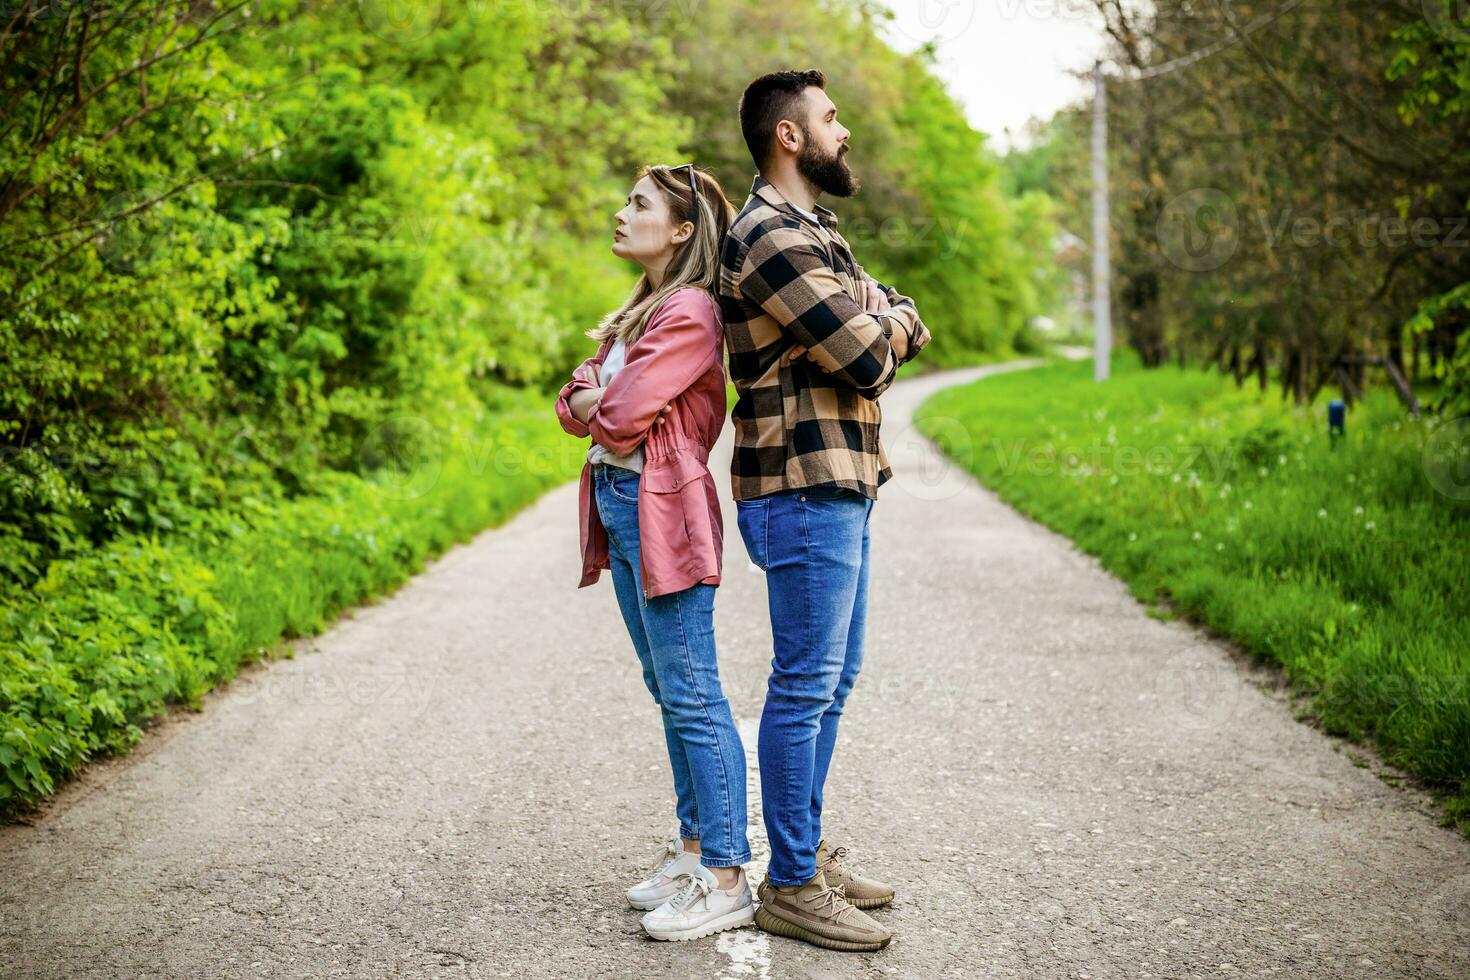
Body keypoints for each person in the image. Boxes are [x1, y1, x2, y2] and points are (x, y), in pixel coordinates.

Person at [717, 69, 932, 953]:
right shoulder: (767, 235)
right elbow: (868, 356)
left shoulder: (816, 231)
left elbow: (903, 316)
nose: (845, 130)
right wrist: (881, 324)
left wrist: (890, 317)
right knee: (804, 686)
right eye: (831, 118)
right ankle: (794, 884)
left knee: (830, 681)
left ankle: (803, 854)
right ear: (790, 137)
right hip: (802, 488)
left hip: (840, 482)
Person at [554, 164, 754, 943]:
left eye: (638, 204)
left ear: (680, 229)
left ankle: (729, 875)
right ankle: (695, 849)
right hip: (622, 502)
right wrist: (598, 399)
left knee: (693, 690)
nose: (619, 212)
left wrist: (600, 400)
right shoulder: (643, 309)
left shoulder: (692, 311)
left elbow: (619, 413)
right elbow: (573, 400)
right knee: (667, 686)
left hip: (661, 510)